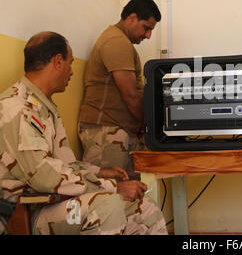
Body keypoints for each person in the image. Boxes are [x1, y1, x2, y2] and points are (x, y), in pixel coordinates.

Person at [0, 32, 167, 235]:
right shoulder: (18, 108)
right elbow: (44, 177)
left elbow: (65, 165)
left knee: (144, 207)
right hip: (25, 213)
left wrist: (99, 172)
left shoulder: (45, 106)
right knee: (107, 205)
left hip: (52, 204)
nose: (71, 72)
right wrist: (111, 187)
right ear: (57, 62)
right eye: (70, 63)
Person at [78, 0, 161, 179]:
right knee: (110, 197)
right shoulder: (117, 42)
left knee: (128, 198)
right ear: (131, 18)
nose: (148, 36)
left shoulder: (119, 41)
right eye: (146, 28)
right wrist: (149, 126)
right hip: (107, 134)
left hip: (115, 131)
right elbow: (131, 95)